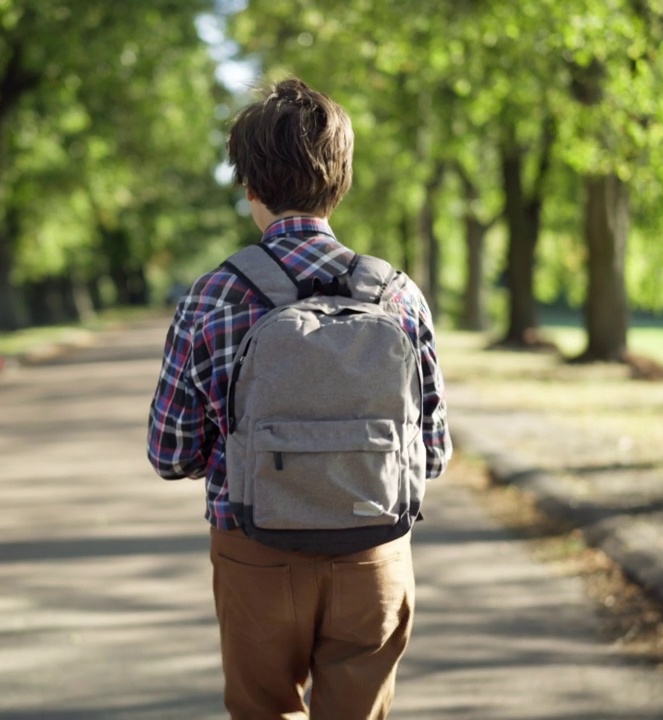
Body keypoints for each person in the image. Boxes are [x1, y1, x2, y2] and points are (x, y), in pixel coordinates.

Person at [146, 77, 452, 719]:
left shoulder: (213, 296)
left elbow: (171, 453)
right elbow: (434, 451)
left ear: (250, 185)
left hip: (255, 547)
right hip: (373, 545)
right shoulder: (399, 295)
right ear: (341, 182)